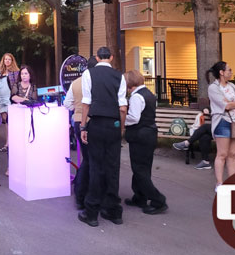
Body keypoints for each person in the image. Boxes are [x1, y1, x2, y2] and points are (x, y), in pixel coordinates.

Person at [78, 46, 127, 228]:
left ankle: (91, 213)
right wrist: (120, 128)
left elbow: (86, 103)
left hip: (96, 123)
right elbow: (123, 107)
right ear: (111, 58)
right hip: (113, 124)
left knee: (96, 167)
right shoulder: (119, 76)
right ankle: (113, 211)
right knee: (112, 167)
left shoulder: (89, 74)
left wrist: (84, 126)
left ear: (97, 58)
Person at [124, 70, 168, 215]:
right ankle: (139, 196)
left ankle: (158, 200)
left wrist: (122, 120)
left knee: (139, 169)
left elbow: (134, 117)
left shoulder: (136, 97)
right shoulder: (149, 94)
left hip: (140, 135)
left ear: (130, 84)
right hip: (149, 134)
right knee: (144, 168)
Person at [63, 56, 98, 209]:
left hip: (78, 121)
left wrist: (76, 110)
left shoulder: (76, 83)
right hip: (94, 122)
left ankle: (82, 191)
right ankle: (82, 192)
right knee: (91, 159)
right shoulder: (96, 82)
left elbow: (66, 103)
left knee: (87, 158)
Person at [207, 61, 235, 192]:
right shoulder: (213, 88)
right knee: (222, 154)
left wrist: (234, 103)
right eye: (229, 70)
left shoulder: (233, 86)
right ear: (221, 72)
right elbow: (226, 106)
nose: (231, 72)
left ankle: (232, 183)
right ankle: (219, 183)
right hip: (222, 122)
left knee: (232, 154)